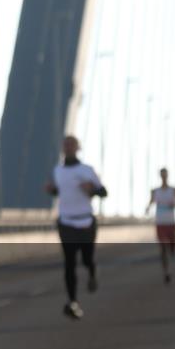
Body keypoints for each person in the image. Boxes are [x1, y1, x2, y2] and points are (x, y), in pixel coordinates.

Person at [44, 135, 107, 320]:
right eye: (66, 145)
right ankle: (73, 302)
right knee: (69, 262)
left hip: (86, 221)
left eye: (72, 145)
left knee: (87, 259)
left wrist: (92, 190)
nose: (68, 147)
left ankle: (92, 272)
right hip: (66, 222)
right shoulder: (57, 171)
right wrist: (51, 190)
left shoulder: (87, 170)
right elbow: (59, 191)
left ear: (78, 147)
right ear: (63, 149)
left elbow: (103, 192)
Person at [145, 167, 175, 284]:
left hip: (171, 222)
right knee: (163, 248)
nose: (164, 177)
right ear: (160, 176)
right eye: (162, 175)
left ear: (167, 176)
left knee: (172, 248)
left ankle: (171, 254)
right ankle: (166, 272)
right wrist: (147, 208)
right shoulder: (154, 191)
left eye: (165, 175)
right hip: (160, 222)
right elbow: (151, 201)